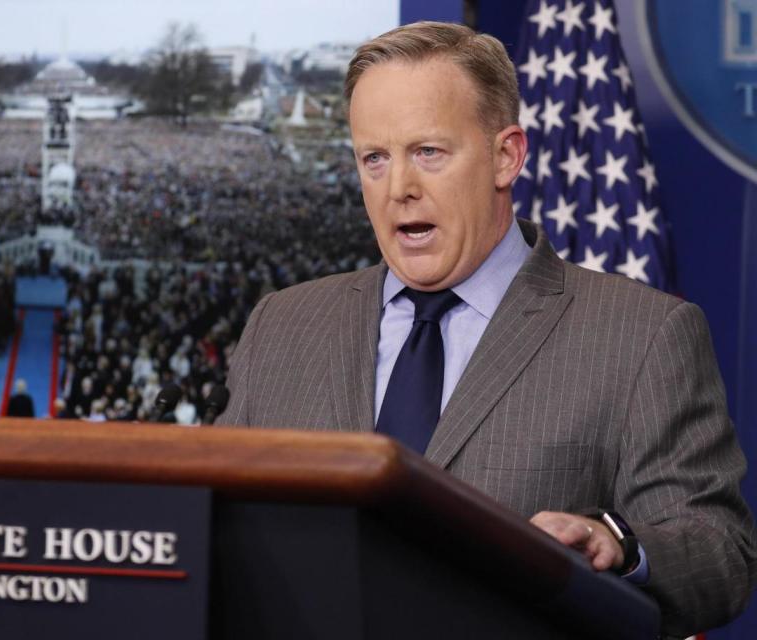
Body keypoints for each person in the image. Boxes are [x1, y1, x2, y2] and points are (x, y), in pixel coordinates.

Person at [216, 21, 756, 637]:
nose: (399, 189)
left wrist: (616, 542)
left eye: (429, 153)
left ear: (507, 157)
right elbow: (218, 528)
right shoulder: (284, 326)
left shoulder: (641, 336)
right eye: (375, 158)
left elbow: (720, 555)